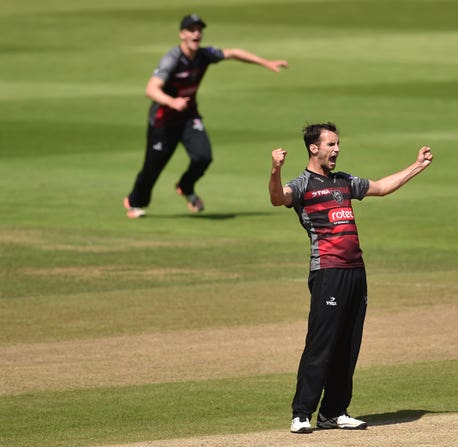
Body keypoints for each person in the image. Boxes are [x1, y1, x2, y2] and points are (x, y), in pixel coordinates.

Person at [269, 122, 434, 434]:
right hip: (327, 271)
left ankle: (334, 412)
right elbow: (279, 199)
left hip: (356, 271)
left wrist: (417, 165)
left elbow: (383, 187)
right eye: (331, 144)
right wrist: (275, 170)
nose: (337, 149)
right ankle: (302, 413)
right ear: (313, 148)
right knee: (321, 344)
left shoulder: (344, 182)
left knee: (348, 345)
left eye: (338, 144)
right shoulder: (302, 184)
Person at [124, 13, 289, 218]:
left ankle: (185, 186)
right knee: (153, 167)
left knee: (203, 157)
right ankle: (134, 202)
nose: (196, 33)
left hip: (188, 117)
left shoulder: (204, 55)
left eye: (199, 30)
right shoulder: (172, 59)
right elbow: (151, 89)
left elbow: (233, 53)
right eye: (191, 30)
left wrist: (266, 62)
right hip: (163, 121)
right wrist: (172, 102)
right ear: (182, 34)